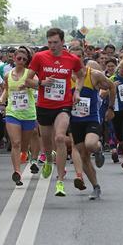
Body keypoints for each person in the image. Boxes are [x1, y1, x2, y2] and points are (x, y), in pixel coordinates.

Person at [27, 28, 84, 197]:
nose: (52, 46)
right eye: (49, 42)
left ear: (62, 42)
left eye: (55, 42)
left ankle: (59, 181)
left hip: (63, 105)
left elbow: (80, 76)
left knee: (59, 137)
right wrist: (42, 83)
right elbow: (28, 80)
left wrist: (77, 91)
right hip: (44, 106)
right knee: (47, 142)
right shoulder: (39, 57)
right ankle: (49, 161)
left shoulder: (72, 59)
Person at [68, 53, 112, 201]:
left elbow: (111, 86)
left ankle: (99, 149)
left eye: (78, 57)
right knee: (84, 156)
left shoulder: (93, 75)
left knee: (90, 144)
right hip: (75, 121)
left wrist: (110, 108)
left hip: (92, 118)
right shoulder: (66, 76)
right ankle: (96, 187)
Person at [1, 46, 38, 185]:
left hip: (28, 113)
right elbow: (6, 89)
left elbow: (38, 85)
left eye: (24, 59)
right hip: (12, 112)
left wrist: (28, 84)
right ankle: (17, 172)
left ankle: (26, 153)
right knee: (15, 143)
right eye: (19, 58)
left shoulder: (30, 73)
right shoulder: (7, 75)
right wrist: (2, 100)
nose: (21, 60)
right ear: (14, 58)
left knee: (23, 145)